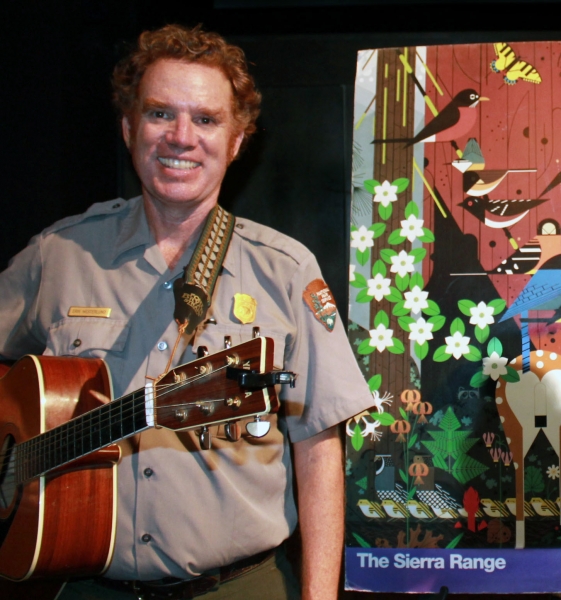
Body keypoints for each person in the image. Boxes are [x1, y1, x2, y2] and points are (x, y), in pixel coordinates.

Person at [0, 24, 373, 600]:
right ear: (129, 129)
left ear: (237, 141)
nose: (181, 137)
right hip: (81, 584)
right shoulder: (58, 257)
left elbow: (319, 451)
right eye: (159, 115)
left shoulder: (286, 270)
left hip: (239, 585)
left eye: (205, 119)